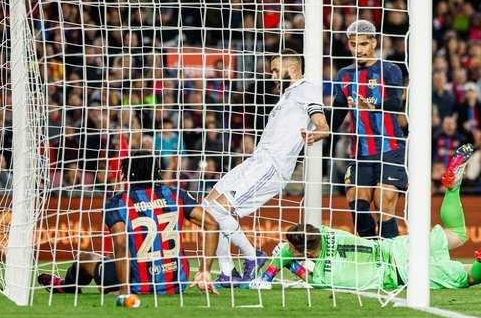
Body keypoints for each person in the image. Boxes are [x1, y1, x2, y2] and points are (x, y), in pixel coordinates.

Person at [251, 145, 481, 292]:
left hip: (402, 274)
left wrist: (272, 273)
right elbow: (296, 244)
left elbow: (299, 269)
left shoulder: (323, 276)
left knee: (469, 276)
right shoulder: (325, 231)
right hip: (399, 247)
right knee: (457, 234)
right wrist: (288, 256)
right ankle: (453, 189)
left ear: (309, 254)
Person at [203, 49, 329, 287]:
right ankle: (227, 272)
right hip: (256, 161)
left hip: (272, 166)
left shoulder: (306, 89)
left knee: (220, 210)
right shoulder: (286, 96)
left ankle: (253, 257)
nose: (271, 76)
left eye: (274, 70)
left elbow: (323, 124)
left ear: (291, 69)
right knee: (208, 207)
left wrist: (315, 133)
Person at [38, 150, 218, 297]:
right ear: (156, 171)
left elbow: (121, 243)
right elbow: (212, 224)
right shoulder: (175, 194)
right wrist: (205, 270)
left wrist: (124, 289)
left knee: (87, 258)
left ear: (127, 173)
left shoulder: (118, 202)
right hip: (176, 283)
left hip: (136, 284)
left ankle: (65, 286)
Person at [332, 20, 406, 239]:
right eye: (354, 45)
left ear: (374, 42)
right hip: (360, 153)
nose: (359, 49)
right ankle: (371, 249)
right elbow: (338, 111)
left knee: (383, 203)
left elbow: (395, 103)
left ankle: (388, 260)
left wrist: (373, 106)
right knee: (358, 206)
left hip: (389, 148)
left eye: (363, 44)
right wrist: (320, 128)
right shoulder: (344, 74)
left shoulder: (390, 69)